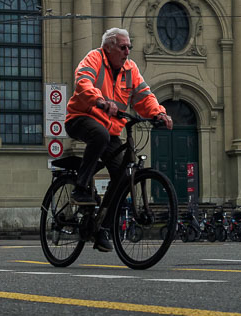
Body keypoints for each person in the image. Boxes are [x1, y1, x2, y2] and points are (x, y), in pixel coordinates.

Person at [67, 28, 171, 252]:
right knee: (100, 135)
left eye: (129, 48)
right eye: (123, 47)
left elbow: (144, 96)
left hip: (111, 129)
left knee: (123, 178)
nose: (127, 52)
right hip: (81, 118)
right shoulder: (94, 58)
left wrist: (159, 113)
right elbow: (83, 82)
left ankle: (102, 228)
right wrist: (100, 101)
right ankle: (80, 187)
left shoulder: (130, 69)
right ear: (109, 47)